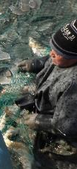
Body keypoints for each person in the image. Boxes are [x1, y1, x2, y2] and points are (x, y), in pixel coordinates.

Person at [17, 20, 77, 151]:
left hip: (58, 115)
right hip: (43, 93)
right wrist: (37, 63)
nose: (51, 54)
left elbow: (67, 125)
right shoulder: (64, 57)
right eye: (52, 48)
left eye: (59, 52)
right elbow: (56, 53)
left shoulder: (73, 84)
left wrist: (40, 121)